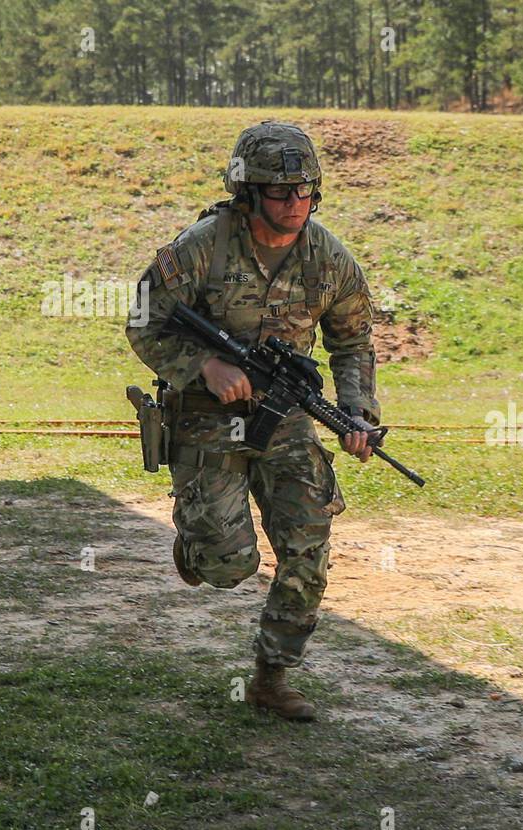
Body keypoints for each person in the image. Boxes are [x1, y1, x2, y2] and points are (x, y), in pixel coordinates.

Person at [126, 121, 380, 721]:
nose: (295, 204)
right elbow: (143, 321)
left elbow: (353, 342)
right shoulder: (201, 247)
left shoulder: (329, 257)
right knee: (228, 566)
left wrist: (357, 412)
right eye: (280, 191)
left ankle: (272, 675)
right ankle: (199, 549)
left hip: (286, 416)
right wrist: (204, 365)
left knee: (307, 542)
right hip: (206, 420)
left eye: (305, 191)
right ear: (247, 192)